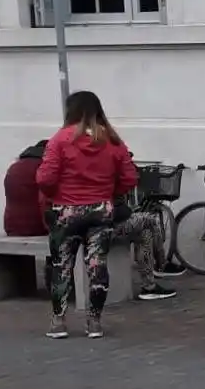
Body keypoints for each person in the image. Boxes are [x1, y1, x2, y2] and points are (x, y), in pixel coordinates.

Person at [36, 91, 139, 340]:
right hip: (101, 210)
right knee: (97, 265)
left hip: (66, 211)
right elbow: (130, 178)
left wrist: (56, 194)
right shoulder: (113, 141)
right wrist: (108, 192)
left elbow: (45, 178)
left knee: (62, 266)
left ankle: (58, 322)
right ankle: (94, 322)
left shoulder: (60, 139)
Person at [114, 210, 177, 301]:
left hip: (114, 221)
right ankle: (161, 265)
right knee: (150, 220)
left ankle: (149, 287)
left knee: (145, 232)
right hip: (109, 225)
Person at [4, 140, 50, 237]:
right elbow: (45, 200)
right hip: (36, 227)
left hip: (11, 227)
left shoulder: (14, 167)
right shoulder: (44, 167)